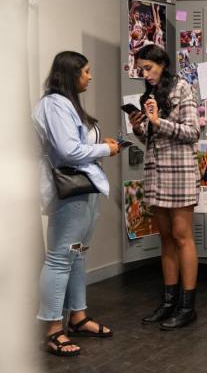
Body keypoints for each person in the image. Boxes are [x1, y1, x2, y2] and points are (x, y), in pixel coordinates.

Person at [33, 51, 120, 356]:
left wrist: (100, 145)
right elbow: (68, 151)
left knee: (78, 254)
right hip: (69, 195)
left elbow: (77, 144)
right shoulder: (54, 105)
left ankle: (78, 317)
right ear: (71, 75)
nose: (90, 76)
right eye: (85, 71)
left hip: (85, 192)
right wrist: (106, 150)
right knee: (59, 258)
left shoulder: (67, 104)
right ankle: (53, 329)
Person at [128, 44, 200, 329]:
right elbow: (152, 138)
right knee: (166, 238)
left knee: (182, 237)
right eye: (141, 69)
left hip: (180, 173)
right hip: (155, 174)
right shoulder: (149, 94)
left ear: (163, 64)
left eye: (149, 68)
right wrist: (139, 127)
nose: (145, 74)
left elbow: (193, 132)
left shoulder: (181, 88)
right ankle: (168, 302)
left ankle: (187, 306)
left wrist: (158, 121)